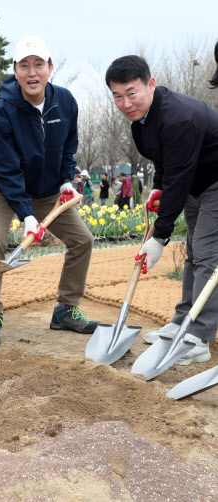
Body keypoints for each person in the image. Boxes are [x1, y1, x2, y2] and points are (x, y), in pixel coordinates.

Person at [0, 35, 98, 347]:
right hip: (2, 189)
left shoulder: (66, 102)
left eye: (38, 65)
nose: (32, 72)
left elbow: (69, 148)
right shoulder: (3, 111)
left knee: (82, 240)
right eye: (24, 65)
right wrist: (26, 214)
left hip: (46, 190)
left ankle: (66, 310)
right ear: (15, 71)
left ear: (50, 68)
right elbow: (5, 169)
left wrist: (67, 181)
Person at [106, 54, 218, 366]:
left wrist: (160, 238)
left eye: (131, 92)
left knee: (208, 255)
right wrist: (158, 186)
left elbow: (179, 177)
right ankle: (183, 319)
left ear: (150, 85)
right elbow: (164, 160)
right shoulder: (141, 122)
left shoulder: (177, 116)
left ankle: (199, 336)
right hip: (196, 184)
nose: (126, 103)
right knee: (195, 252)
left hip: (213, 182)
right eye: (117, 96)